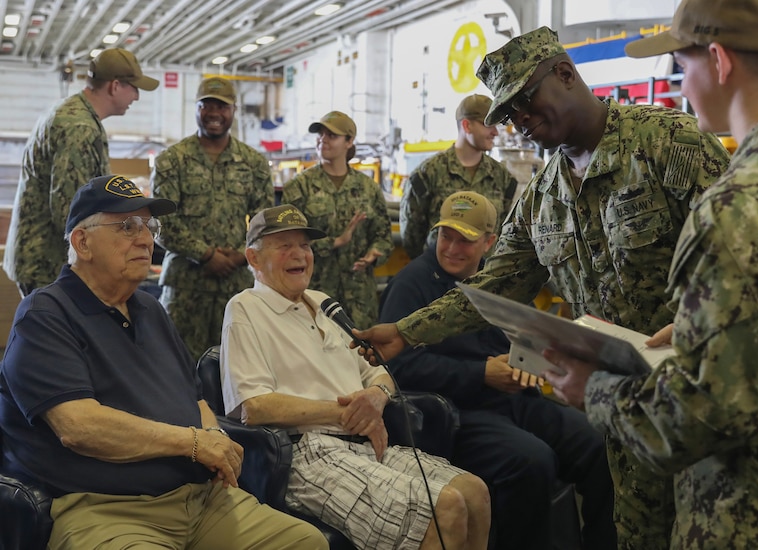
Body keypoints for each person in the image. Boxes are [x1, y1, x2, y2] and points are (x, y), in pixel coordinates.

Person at [355, 26, 732, 549]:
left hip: (695, 407)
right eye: (508, 116)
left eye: (524, 103)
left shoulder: (671, 144)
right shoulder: (542, 196)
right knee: (636, 533)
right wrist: (406, 330)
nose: (520, 123)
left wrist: (697, 326)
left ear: (565, 74)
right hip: (615, 408)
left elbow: (740, 268)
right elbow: (497, 281)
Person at [541, 1, 758, 548]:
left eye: (680, 63)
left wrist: (591, 388)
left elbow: (695, 421)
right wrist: (710, 330)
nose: (680, 83)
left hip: (753, 521)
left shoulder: (739, 206)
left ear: (718, 61)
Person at [0, 174, 327, 550]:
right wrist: (192, 443)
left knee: (305, 541)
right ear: (82, 242)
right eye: (126, 226)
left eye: (148, 226)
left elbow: (196, 400)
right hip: (105, 508)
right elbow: (79, 426)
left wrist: (216, 440)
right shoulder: (45, 315)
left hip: (201, 500)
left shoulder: (151, 309)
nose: (145, 238)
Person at [220, 204, 491, 550]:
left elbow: (379, 371)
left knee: (474, 492)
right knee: (445, 506)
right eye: (284, 245)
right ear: (254, 259)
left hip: (366, 442)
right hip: (308, 454)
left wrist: (376, 398)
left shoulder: (323, 304)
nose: (299, 254)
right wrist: (348, 414)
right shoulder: (245, 308)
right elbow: (253, 406)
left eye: (304, 245)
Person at [380, 191, 616, 550]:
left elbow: (518, 338)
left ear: (489, 242)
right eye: (447, 236)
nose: (453, 248)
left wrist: (529, 362)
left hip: (513, 397)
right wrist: (480, 373)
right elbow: (400, 366)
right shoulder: (411, 284)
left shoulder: (499, 281)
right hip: (457, 411)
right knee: (531, 462)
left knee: (600, 443)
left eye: (466, 240)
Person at [3, 48, 158, 297]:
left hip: (44, 257)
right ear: (115, 86)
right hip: (50, 263)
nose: (137, 97)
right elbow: (71, 212)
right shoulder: (78, 127)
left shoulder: (72, 114)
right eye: (134, 88)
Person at [151, 76, 273, 360]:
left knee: (237, 367)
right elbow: (160, 222)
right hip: (184, 288)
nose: (215, 113)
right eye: (207, 105)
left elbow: (265, 222)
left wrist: (243, 256)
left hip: (234, 287)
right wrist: (205, 255)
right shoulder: (172, 160)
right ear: (196, 108)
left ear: (234, 110)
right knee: (175, 365)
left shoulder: (253, 163)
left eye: (223, 106)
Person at [281, 111, 393, 329]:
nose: (323, 139)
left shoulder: (367, 188)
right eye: (321, 134)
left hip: (360, 298)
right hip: (315, 295)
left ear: (349, 141)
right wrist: (333, 242)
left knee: (361, 358)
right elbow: (287, 242)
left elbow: (383, 236)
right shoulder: (299, 187)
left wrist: (374, 254)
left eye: (332, 135)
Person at [400, 94, 519, 259]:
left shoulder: (503, 178)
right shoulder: (427, 174)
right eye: (488, 125)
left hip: (483, 279)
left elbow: (503, 233)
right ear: (467, 126)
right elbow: (412, 237)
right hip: (438, 276)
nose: (495, 133)